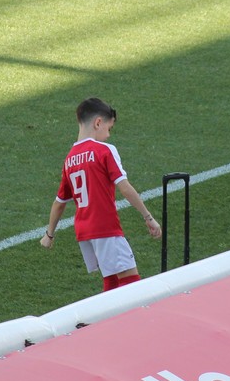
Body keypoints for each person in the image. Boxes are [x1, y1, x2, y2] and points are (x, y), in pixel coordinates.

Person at [40, 97, 161, 291]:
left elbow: (60, 203)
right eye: (109, 128)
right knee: (132, 285)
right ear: (98, 123)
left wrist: (49, 235)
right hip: (105, 227)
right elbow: (124, 187)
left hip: (84, 231)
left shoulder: (69, 159)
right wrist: (148, 217)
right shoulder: (104, 150)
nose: (108, 135)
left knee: (111, 280)